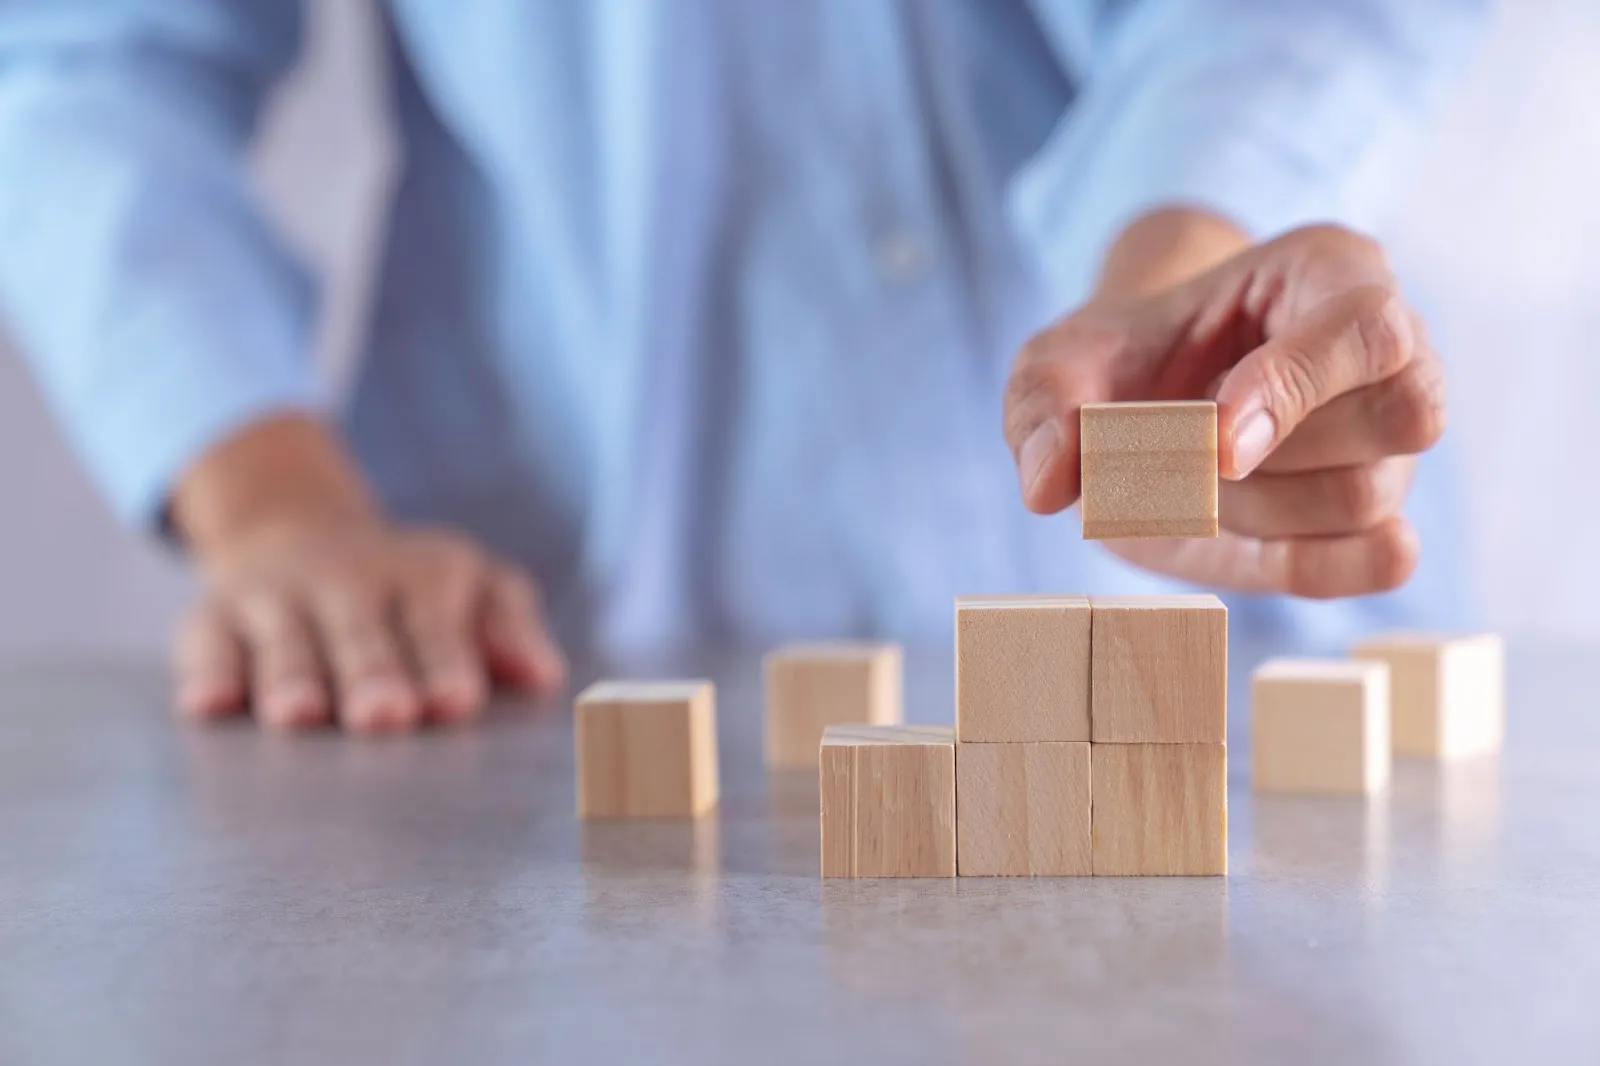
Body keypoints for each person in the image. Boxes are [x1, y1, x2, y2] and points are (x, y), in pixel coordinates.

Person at [0, 1, 1484, 732]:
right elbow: (84, 58)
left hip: (1229, 647)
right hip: (534, 663)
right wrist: (278, 508)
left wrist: (1182, 268)